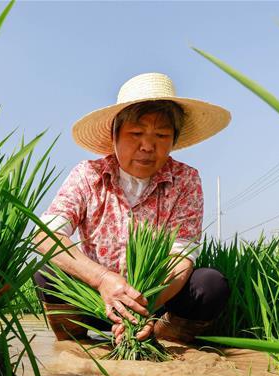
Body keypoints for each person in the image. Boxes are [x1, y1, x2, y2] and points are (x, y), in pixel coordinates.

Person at [34, 72, 231, 344]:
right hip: (94, 297)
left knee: (210, 285)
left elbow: (181, 258)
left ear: (173, 140)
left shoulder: (185, 180)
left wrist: (142, 308)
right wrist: (103, 280)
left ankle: (163, 338)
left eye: (161, 135)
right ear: (114, 136)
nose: (148, 146)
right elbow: (45, 236)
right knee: (48, 274)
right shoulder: (88, 174)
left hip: (156, 301)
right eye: (136, 133)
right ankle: (75, 345)